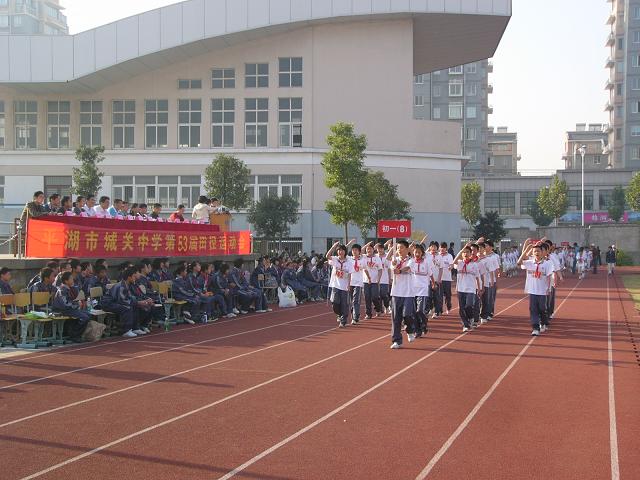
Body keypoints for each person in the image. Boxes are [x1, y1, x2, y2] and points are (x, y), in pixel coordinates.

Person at [517, 239, 554, 336]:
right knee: (533, 309)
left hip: (543, 291)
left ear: (542, 252)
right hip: (532, 290)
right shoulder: (530, 263)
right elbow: (518, 263)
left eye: (538, 251)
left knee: (542, 308)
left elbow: (549, 276)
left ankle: (543, 321)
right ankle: (535, 328)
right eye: (535, 251)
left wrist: (549, 288)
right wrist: (526, 250)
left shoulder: (547, 263)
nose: (536, 253)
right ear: (532, 253)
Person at [101, 267, 147, 337]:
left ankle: (135, 328)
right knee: (126, 307)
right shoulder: (121, 286)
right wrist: (138, 303)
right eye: (133, 276)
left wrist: (140, 302)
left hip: (116, 302)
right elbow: (123, 301)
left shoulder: (129, 285)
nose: (135, 278)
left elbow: (130, 297)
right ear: (129, 277)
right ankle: (126, 330)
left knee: (134, 306)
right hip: (108, 304)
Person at [388, 240, 417, 349]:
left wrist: (399, 270)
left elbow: (407, 268)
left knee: (407, 314)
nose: (399, 250)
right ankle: (397, 340)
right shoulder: (394, 260)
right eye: (398, 248)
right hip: (396, 292)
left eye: (401, 248)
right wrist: (394, 265)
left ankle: (410, 330)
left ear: (407, 249)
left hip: (408, 292)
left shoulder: (411, 260)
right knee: (396, 318)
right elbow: (392, 268)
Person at [52, 271, 90, 342]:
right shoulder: (62, 290)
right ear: (66, 281)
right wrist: (76, 305)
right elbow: (65, 304)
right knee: (85, 317)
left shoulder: (71, 288)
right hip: (63, 310)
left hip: (71, 309)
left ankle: (74, 332)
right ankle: (74, 335)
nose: (73, 280)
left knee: (88, 314)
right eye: (71, 279)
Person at [453, 243, 482, 332]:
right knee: (461, 308)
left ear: (470, 254)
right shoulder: (459, 263)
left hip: (470, 289)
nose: (466, 254)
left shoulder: (474, 265)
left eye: (468, 252)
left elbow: (477, 277)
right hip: (460, 289)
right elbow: (453, 262)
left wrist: (479, 288)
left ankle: (470, 318)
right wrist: (461, 250)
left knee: (469, 305)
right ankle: (465, 324)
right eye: (464, 252)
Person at [326, 241, 354, 327]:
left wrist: (349, 285)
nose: (340, 252)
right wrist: (334, 246)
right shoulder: (335, 259)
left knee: (344, 304)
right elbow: (327, 256)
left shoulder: (349, 262)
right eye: (339, 250)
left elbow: (349, 274)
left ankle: (343, 320)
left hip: (344, 286)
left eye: (342, 250)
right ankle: (339, 314)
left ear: (345, 252)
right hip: (335, 285)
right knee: (335, 302)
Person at [411, 243, 433, 337]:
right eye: (415, 252)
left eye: (419, 252)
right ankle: (418, 330)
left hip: (423, 289)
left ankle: (424, 323)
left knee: (420, 310)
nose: (417, 254)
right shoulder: (411, 262)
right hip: (412, 290)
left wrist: (433, 283)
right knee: (414, 312)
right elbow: (406, 268)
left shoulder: (426, 262)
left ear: (422, 253)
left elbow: (431, 274)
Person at [362, 242, 383, 319]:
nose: (368, 250)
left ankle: (378, 309)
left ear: (373, 249)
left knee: (374, 297)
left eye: (370, 248)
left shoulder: (377, 258)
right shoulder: (364, 257)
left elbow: (380, 269)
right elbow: (360, 251)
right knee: (367, 297)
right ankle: (368, 313)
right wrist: (367, 244)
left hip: (374, 281)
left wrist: (378, 279)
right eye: (367, 249)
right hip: (366, 281)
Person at [438, 241, 454, 314]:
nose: (442, 249)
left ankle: (448, 306)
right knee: (439, 295)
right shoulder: (437, 256)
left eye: (444, 247)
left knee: (448, 295)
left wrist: (450, 267)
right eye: (441, 247)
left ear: (446, 248)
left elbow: (451, 264)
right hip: (439, 279)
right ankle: (440, 310)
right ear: (439, 248)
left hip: (447, 279)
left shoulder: (449, 256)